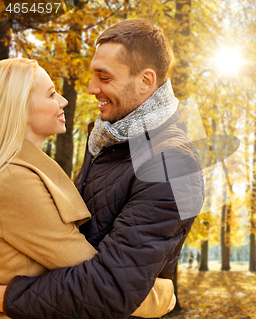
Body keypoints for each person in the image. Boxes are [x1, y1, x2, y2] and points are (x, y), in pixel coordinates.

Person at [1, 19, 204, 318]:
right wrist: (161, 296)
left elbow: (111, 288)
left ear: (146, 81)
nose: (90, 88)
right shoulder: (107, 141)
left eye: (104, 77)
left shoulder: (170, 162)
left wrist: (7, 296)